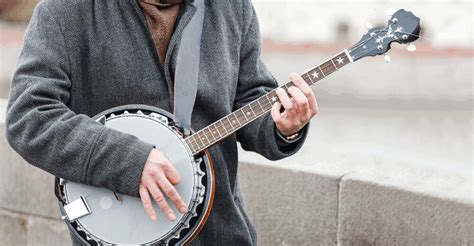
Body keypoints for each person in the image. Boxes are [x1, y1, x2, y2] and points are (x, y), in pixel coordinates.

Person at [5, 0, 318, 245]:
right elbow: (30, 116)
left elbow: (249, 97)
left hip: (219, 231)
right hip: (119, 230)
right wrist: (130, 160)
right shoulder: (65, 12)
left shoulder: (232, 7)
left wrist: (282, 126)